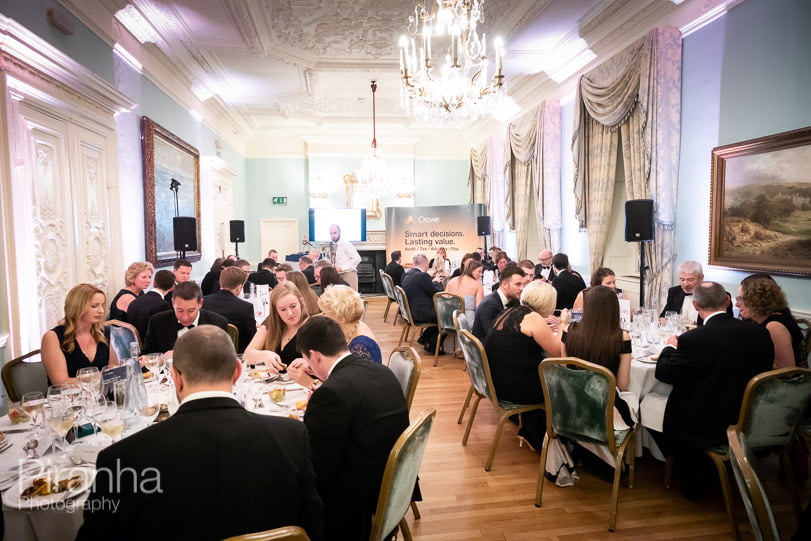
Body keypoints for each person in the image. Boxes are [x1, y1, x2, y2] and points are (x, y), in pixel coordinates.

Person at [76, 326, 323, 541]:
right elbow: (314, 526)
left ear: (175, 378)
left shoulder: (121, 458)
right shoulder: (291, 436)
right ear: (237, 372)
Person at [655, 282, 773, 497]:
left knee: (654, 403)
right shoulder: (759, 333)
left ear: (695, 305)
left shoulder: (695, 339)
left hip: (706, 424)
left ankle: (685, 468)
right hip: (750, 417)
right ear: (727, 301)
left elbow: (664, 373)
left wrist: (670, 346)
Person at [298, 316, 409, 541]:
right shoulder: (382, 371)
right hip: (392, 487)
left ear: (315, 356)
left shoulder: (333, 393)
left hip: (356, 505)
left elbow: (317, 467)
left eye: (306, 360)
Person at [484, 281, 562, 449]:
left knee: (540, 371)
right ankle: (553, 437)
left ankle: (531, 429)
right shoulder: (533, 318)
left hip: (495, 381)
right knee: (561, 384)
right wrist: (563, 325)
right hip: (514, 390)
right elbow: (558, 352)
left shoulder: (510, 310)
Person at [41, 283, 116, 385]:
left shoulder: (105, 333)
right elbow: (61, 383)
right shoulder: (52, 337)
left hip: (101, 398)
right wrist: (103, 376)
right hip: (69, 399)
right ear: (77, 307)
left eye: (102, 306)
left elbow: (113, 373)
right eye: (94, 306)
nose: (101, 311)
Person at [142, 282, 228, 355]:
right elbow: (147, 355)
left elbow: (223, 361)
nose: (185, 317)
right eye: (180, 310)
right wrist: (161, 359)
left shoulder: (217, 324)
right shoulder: (158, 321)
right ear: (172, 303)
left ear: (200, 303)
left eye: (191, 311)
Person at [736, 275, 803, 368]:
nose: (737, 304)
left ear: (758, 300)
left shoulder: (774, 326)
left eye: (741, 299)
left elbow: (786, 371)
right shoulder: (760, 321)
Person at [244, 282, 309, 371]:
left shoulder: (311, 325)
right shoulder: (271, 322)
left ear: (301, 302)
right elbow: (247, 356)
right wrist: (264, 355)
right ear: (276, 310)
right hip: (273, 382)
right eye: (283, 309)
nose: (290, 313)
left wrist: (308, 363)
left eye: (293, 306)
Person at [319, 285, 381, 363]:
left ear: (340, 316)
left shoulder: (360, 347)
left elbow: (354, 374)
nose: (322, 316)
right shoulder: (354, 325)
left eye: (325, 312)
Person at [203, 267, 257, 353]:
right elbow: (253, 338)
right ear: (239, 287)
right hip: (235, 356)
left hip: (205, 352)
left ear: (221, 283)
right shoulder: (245, 307)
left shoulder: (203, 302)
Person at [402, 253, 444, 354]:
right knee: (446, 317)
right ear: (426, 264)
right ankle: (432, 346)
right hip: (421, 313)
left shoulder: (407, 274)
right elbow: (436, 292)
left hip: (411, 312)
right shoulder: (423, 276)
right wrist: (437, 282)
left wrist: (432, 281)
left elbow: (422, 288)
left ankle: (424, 338)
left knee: (439, 314)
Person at [472, 265, 526, 341]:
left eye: (523, 284)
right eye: (518, 284)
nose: (522, 288)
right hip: (489, 349)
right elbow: (493, 337)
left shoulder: (514, 300)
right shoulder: (488, 305)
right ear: (504, 285)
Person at [127, 269, 174, 340]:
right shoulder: (163, 305)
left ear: (154, 283)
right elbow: (163, 333)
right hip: (150, 347)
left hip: (133, 343)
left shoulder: (135, 301)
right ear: (171, 288)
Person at [327, 224, 361, 291]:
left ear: (339, 232)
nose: (333, 235)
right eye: (331, 233)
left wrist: (341, 268)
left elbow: (357, 259)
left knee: (351, 299)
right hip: (339, 276)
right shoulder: (333, 246)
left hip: (349, 275)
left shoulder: (346, 244)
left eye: (335, 233)